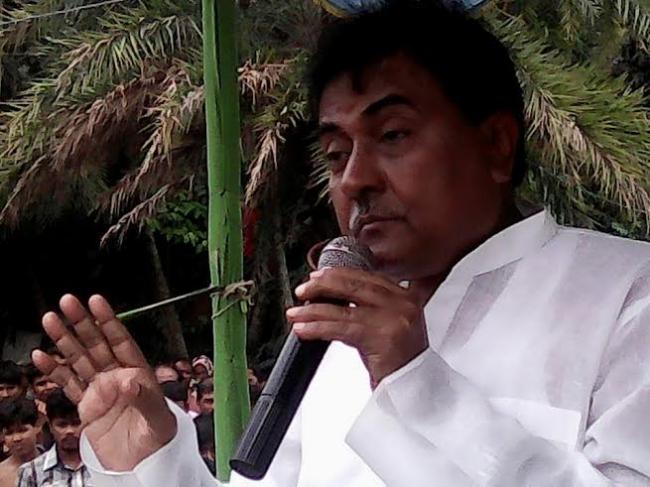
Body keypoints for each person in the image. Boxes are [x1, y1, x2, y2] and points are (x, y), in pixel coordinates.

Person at [30, 1, 650, 485]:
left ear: (495, 145)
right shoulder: (335, 344)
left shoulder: (627, 296)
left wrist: (418, 385)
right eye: (335, 153)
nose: (355, 179)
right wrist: (152, 461)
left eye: (393, 135)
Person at [16, 389, 91, 486]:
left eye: (76, 423)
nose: (69, 431)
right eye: (62, 425)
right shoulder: (31, 472)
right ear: (50, 427)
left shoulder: (105, 465)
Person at [0, 399, 40, 487]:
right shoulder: (1, 473)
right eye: (9, 433)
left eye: (22, 430)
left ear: (37, 427)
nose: (16, 438)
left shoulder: (58, 465)